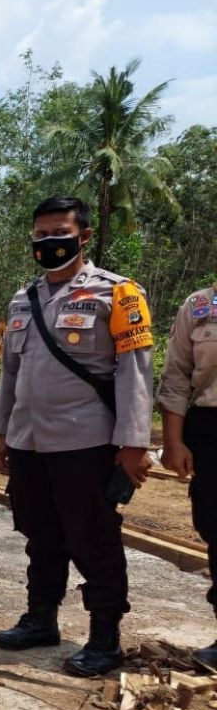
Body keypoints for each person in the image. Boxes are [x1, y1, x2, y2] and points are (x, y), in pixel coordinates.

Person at [0, 195, 154, 677]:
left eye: (58, 233)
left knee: (93, 539)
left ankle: (105, 637)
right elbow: (10, 374)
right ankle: (41, 619)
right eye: (40, 235)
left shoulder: (118, 294)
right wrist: (2, 433)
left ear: (83, 236)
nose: (48, 243)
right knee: (39, 535)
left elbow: (135, 373)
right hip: (28, 441)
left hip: (86, 442)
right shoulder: (24, 298)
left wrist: (133, 443)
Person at [158, 284, 217, 670]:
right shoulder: (199, 306)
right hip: (210, 427)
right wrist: (173, 440)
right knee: (215, 526)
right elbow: (177, 375)